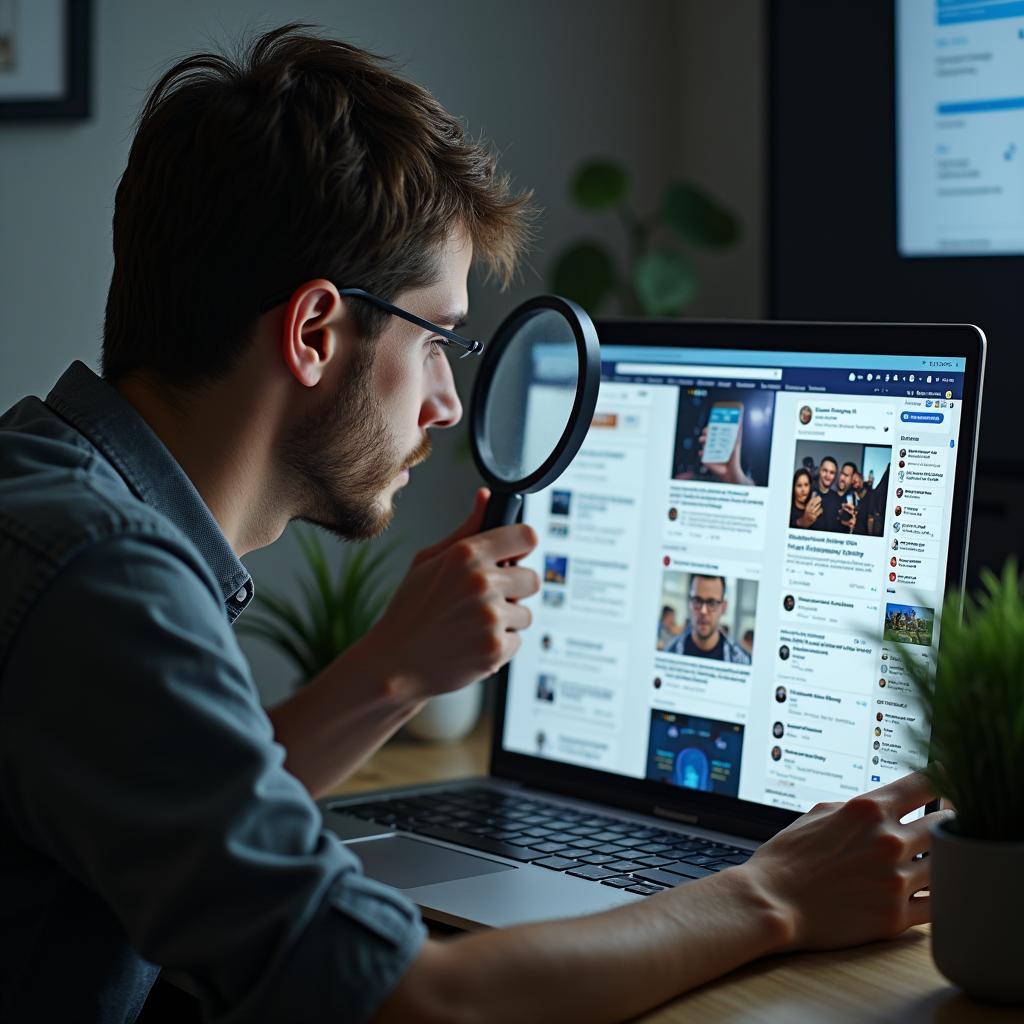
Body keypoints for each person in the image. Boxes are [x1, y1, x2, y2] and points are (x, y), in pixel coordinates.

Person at [0, 25, 946, 1024]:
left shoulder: (49, 491)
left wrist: (392, 672)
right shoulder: (105, 580)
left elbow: (196, 821)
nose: (446, 403)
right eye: (437, 339)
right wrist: (774, 893)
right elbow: (416, 1003)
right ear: (315, 332)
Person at [665, 576, 751, 664]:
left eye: (712, 602)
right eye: (697, 600)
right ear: (689, 603)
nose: (703, 611)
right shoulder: (669, 653)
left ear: (724, 607)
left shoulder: (740, 660)